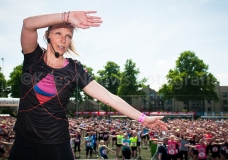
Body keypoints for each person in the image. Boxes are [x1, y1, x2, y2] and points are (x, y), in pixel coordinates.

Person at [8, 10, 168, 160]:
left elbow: (110, 98)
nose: (63, 39)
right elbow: (28, 24)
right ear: (47, 35)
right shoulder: (33, 57)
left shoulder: (74, 69)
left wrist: (143, 118)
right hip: (23, 143)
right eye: (58, 33)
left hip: (56, 145)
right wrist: (66, 16)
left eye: (68, 36)